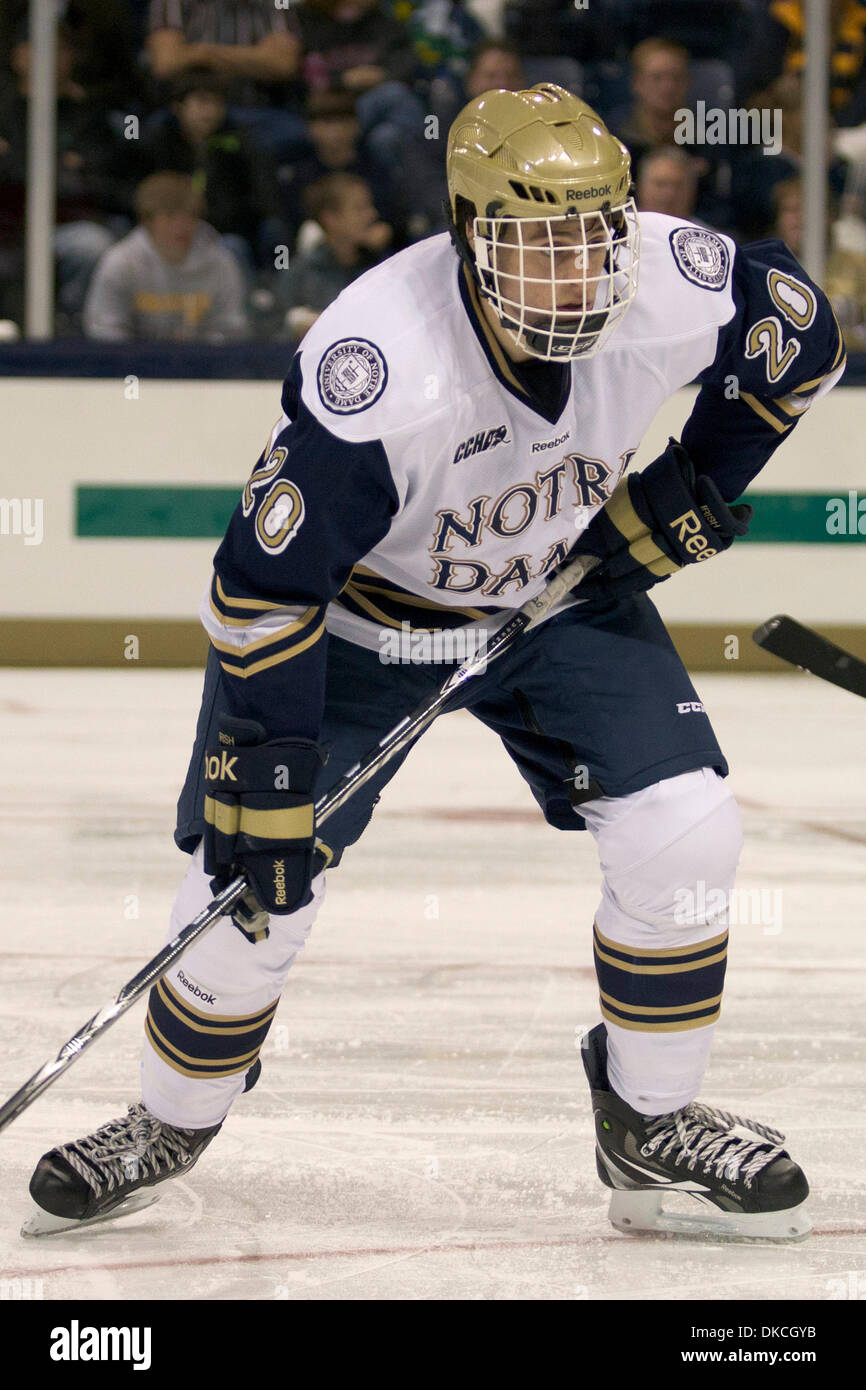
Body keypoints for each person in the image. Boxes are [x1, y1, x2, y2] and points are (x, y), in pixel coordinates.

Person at [26, 83, 844, 1242]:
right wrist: (267, 773)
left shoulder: (667, 279)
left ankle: (648, 1121)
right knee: (247, 893)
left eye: (597, 235)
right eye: (539, 244)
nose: (582, 274)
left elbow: (799, 328)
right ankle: (169, 1118)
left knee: (687, 826)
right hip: (362, 626)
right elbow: (263, 589)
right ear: (468, 234)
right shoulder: (380, 364)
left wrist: (691, 484)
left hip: (558, 597)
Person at [83, 172, 248, 341]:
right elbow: (105, 331)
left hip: (203, 364)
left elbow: (230, 330)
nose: (181, 226)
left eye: (190, 216)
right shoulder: (120, 263)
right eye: (170, 217)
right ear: (147, 220)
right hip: (133, 364)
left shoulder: (221, 263)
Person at [276, 171, 393, 339]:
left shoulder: (385, 266)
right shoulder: (301, 274)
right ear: (330, 218)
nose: (372, 214)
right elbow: (276, 331)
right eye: (360, 209)